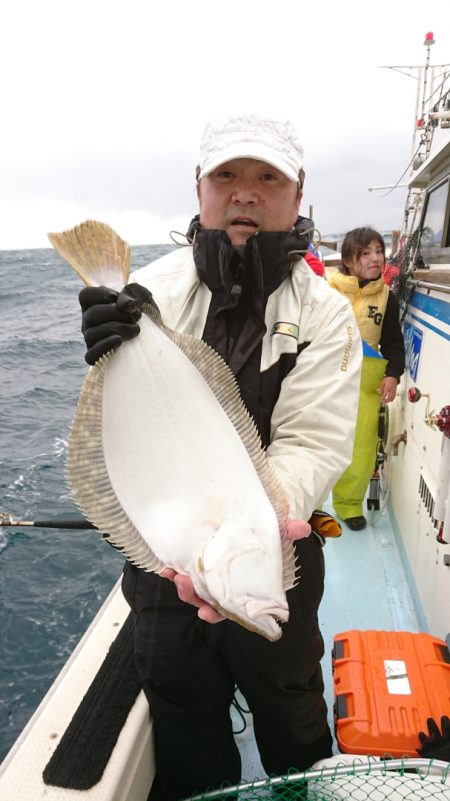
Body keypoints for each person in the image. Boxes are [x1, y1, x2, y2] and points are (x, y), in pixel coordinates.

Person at [79, 113, 362, 799]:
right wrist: (98, 347)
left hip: (275, 555)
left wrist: (253, 528)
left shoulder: (323, 313)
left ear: (297, 197)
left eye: (268, 178)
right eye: (227, 176)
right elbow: (130, 423)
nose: (245, 193)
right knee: (183, 720)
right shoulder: (148, 291)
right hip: (165, 560)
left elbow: (312, 440)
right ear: (199, 189)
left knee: (293, 712)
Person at [328, 226, 405, 531]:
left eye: (379, 251)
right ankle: (309, 502)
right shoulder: (327, 289)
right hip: (326, 375)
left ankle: (348, 505)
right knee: (316, 438)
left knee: (360, 447)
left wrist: (392, 376)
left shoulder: (388, 297)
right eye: (366, 253)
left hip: (366, 380)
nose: (376, 259)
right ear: (348, 259)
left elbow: (394, 343)